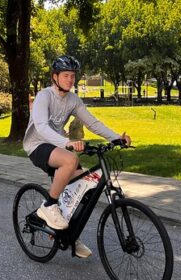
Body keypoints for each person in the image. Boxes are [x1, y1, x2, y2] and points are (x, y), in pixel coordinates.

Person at [23, 55, 131, 258]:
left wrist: (117, 138)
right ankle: (49, 206)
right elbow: (42, 127)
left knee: (82, 188)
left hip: (60, 146)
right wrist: (68, 142)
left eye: (73, 76)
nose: (70, 80)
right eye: (66, 75)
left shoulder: (73, 99)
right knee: (70, 160)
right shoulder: (44, 96)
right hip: (38, 145)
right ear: (55, 76)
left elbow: (92, 123)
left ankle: (69, 236)